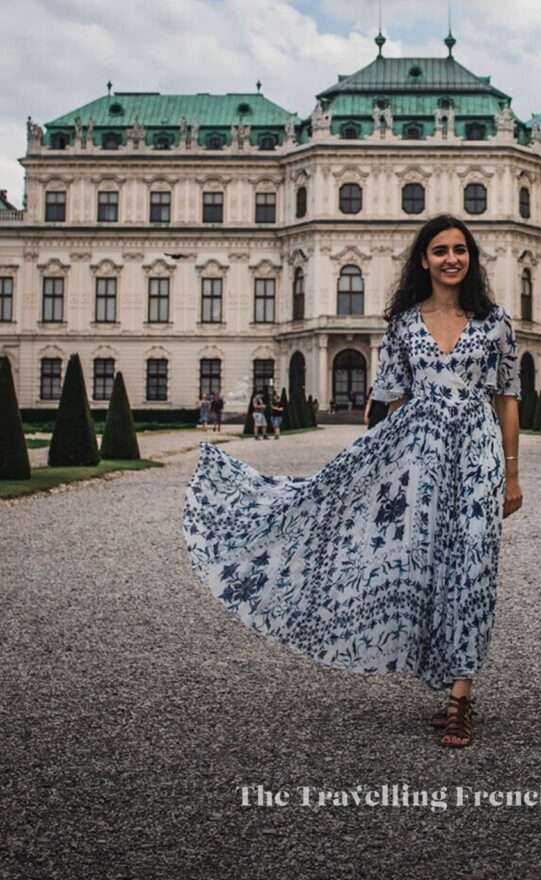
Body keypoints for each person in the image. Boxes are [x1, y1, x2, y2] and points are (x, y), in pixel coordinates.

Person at [183, 214, 523, 749]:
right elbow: (388, 403)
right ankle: (445, 676)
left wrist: (511, 472)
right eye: (440, 251)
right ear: (423, 260)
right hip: (420, 458)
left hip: (478, 454)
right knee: (428, 568)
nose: (452, 258)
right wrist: (366, 472)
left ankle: (460, 697)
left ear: (471, 258)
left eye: (460, 249)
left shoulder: (496, 322)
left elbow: (507, 397)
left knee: (474, 569)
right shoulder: (406, 324)